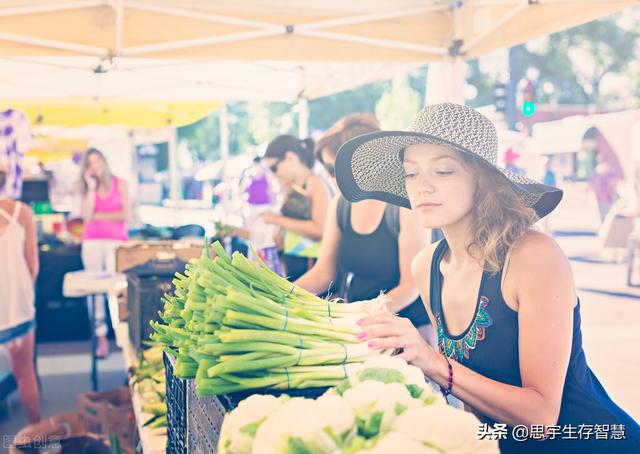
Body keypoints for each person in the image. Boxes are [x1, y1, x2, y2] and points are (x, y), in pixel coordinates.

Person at [336, 103, 640, 452]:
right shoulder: (427, 267)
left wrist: (431, 360)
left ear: (483, 180)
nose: (422, 187)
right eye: (411, 174)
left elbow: (541, 417)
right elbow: (472, 400)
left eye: (444, 171)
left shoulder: (533, 256)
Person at [294, 113, 433, 339]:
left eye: (332, 169)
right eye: (326, 170)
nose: (329, 178)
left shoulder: (403, 206)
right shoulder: (340, 204)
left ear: (360, 163)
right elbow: (323, 272)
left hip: (408, 330)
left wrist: (358, 315)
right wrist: (282, 294)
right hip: (361, 327)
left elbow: (409, 287)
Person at [0, 160, 41, 423]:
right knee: (25, 374)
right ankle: (36, 439)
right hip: (17, 307)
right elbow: (33, 266)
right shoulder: (22, 212)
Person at [78, 148, 130, 358]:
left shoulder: (121, 184)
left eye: (97, 160)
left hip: (116, 242)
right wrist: (91, 189)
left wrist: (98, 215)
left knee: (117, 289)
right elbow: (87, 218)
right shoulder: (87, 189)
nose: (95, 166)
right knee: (95, 291)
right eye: (90, 163)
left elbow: (125, 214)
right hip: (92, 243)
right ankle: (101, 338)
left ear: (104, 161)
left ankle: (122, 335)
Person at [261, 135, 332, 281]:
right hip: (295, 265)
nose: (274, 174)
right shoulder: (292, 187)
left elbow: (319, 230)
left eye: (274, 168)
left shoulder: (314, 183)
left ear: (290, 157)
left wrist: (277, 220)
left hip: (313, 270)